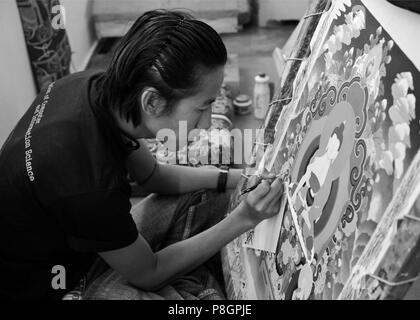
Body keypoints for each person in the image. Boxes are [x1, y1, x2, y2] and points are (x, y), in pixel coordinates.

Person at [0, 10, 284, 300]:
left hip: (92, 243)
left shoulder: (96, 88)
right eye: (202, 107)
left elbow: (154, 176)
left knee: (206, 193)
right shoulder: (86, 179)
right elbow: (150, 274)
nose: (209, 121)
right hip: (61, 283)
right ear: (152, 101)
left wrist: (239, 177)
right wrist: (244, 219)